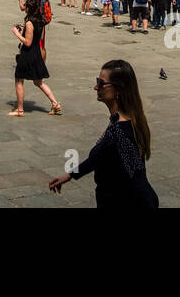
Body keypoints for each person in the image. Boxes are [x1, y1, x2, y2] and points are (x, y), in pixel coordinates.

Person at [48, 59, 157, 208]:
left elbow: (137, 177)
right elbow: (100, 157)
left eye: (101, 83)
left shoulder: (122, 132)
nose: (95, 87)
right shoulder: (122, 121)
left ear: (118, 89)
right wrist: (70, 175)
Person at [9, 0, 60, 116]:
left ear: (28, 9)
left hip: (28, 54)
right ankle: (55, 103)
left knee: (19, 80)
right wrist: (23, 30)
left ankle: (20, 110)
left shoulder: (29, 22)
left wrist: (17, 33)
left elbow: (27, 42)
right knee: (38, 82)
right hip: (37, 52)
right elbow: (38, 37)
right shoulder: (41, 21)